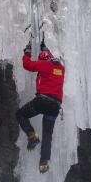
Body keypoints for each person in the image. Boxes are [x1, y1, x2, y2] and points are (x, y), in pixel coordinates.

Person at [16, 39, 65, 173]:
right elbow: (48, 57)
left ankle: (32, 136)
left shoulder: (45, 65)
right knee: (48, 134)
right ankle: (43, 163)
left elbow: (28, 65)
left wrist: (27, 52)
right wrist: (45, 48)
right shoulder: (60, 68)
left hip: (43, 101)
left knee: (20, 114)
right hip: (55, 106)